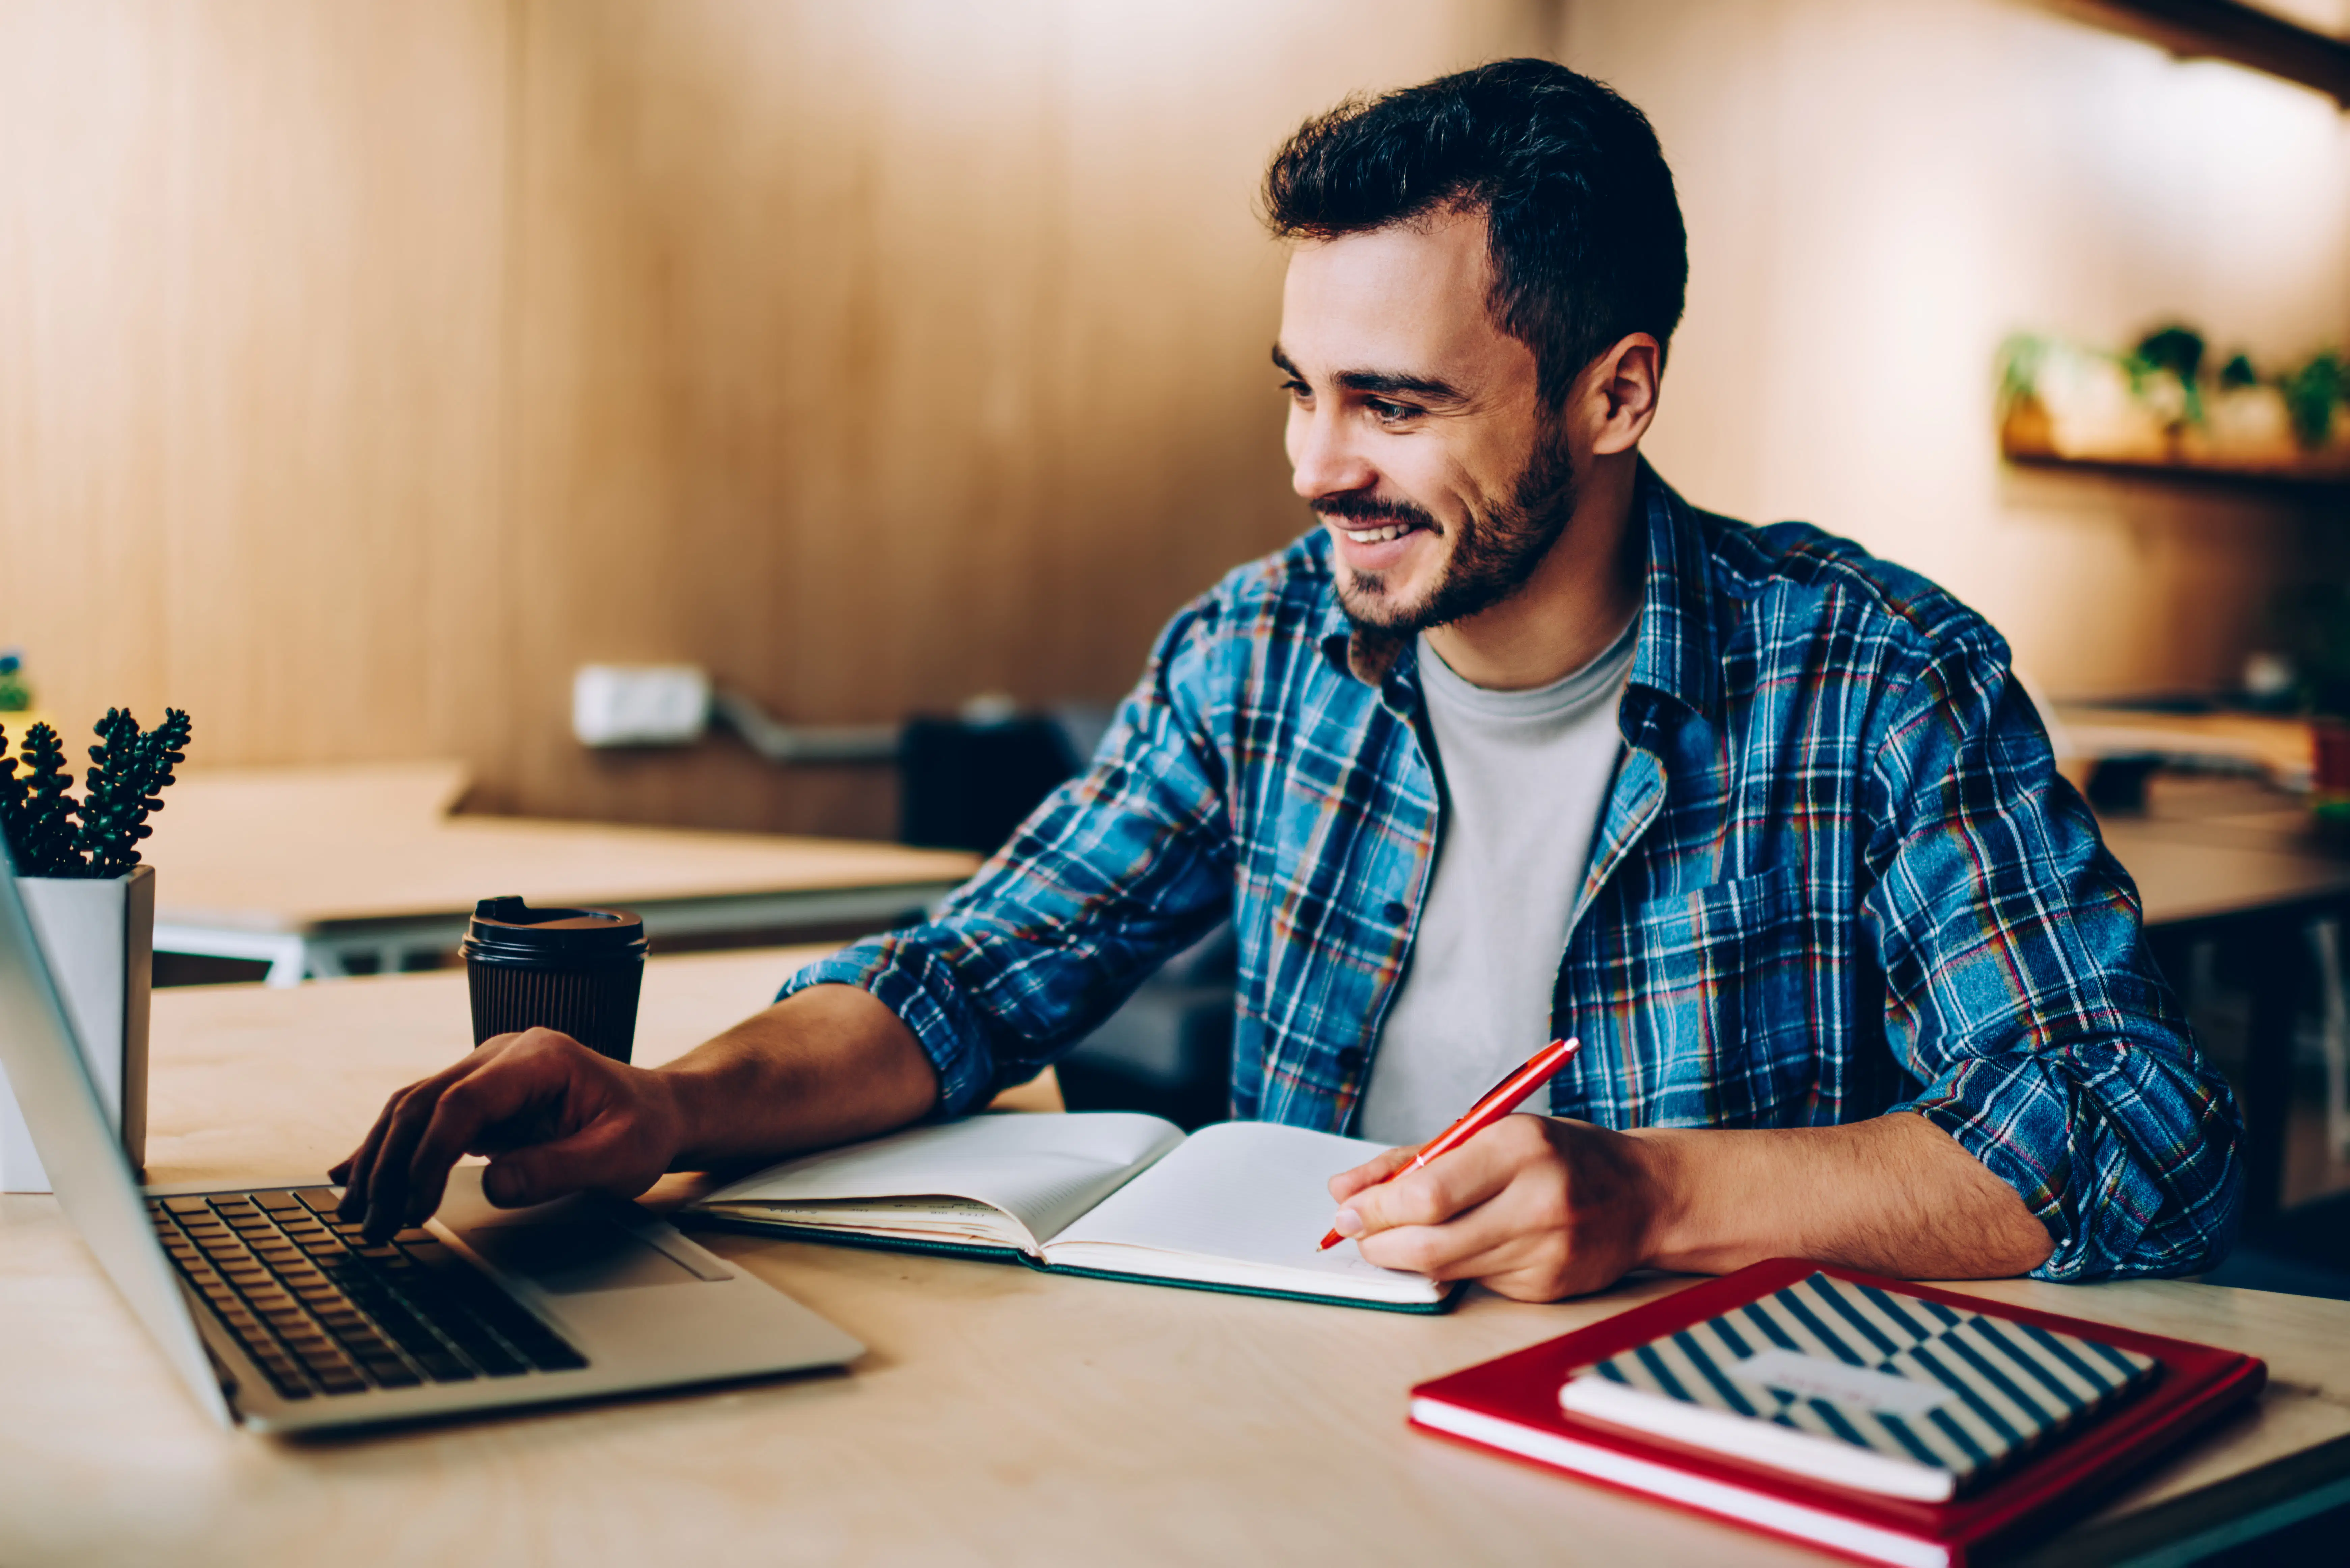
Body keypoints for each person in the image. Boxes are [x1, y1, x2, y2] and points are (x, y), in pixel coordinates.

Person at [335, 59, 2241, 1300]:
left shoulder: (1878, 678)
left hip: (1691, 1454)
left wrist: (1658, 1195)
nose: (1319, 466)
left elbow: (2134, 1129)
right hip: (1295, 1421)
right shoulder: (1257, 650)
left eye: (1394, 405)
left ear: (1616, 393)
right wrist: (667, 1105)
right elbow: (971, 978)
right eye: (1302, 391)